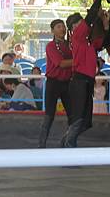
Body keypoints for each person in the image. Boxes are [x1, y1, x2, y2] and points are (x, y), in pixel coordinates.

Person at [62, 0, 109, 148]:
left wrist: (106, 23)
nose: (82, 24)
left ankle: (66, 144)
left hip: (86, 81)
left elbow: (104, 41)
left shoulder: (87, 42)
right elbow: (89, 19)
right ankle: (68, 147)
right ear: (74, 27)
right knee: (79, 118)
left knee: (85, 120)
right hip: (80, 81)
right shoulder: (77, 36)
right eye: (79, 23)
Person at [38, 19, 73, 148]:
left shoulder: (69, 45)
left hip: (66, 82)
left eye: (63, 27)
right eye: (59, 27)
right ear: (53, 30)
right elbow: (61, 63)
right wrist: (80, 60)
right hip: (54, 82)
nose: (62, 29)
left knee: (72, 115)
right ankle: (42, 144)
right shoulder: (51, 46)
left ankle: (66, 142)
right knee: (49, 115)